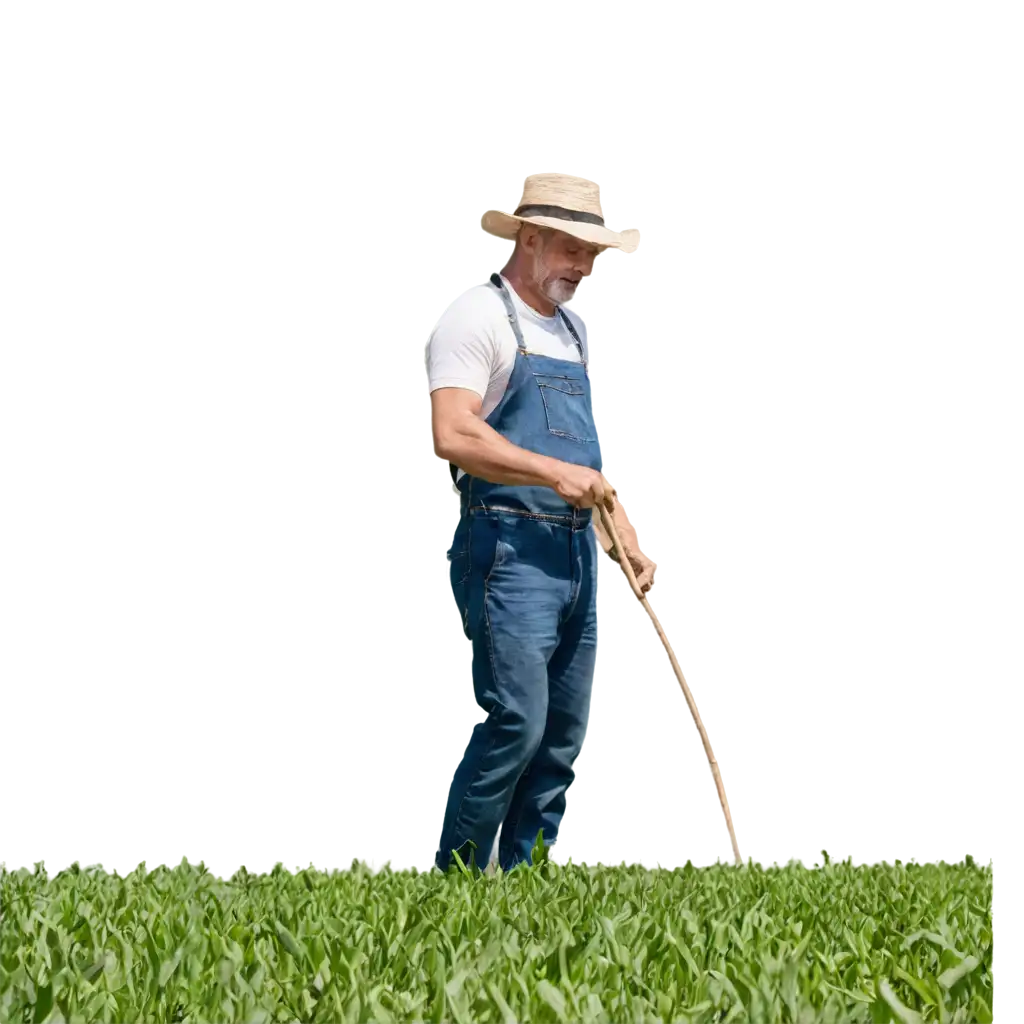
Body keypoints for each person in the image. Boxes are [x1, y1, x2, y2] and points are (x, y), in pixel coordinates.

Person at [424, 169, 658, 873]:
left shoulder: (572, 333)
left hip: (574, 551)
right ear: (528, 239)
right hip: (507, 547)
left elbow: (585, 455)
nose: (582, 266)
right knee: (517, 721)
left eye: (590, 254)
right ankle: (455, 882)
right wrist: (556, 476)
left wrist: (629, 536)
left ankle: (531, 885)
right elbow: (453, 432)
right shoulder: (475, 314)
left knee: (561, 734)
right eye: (570, 249)